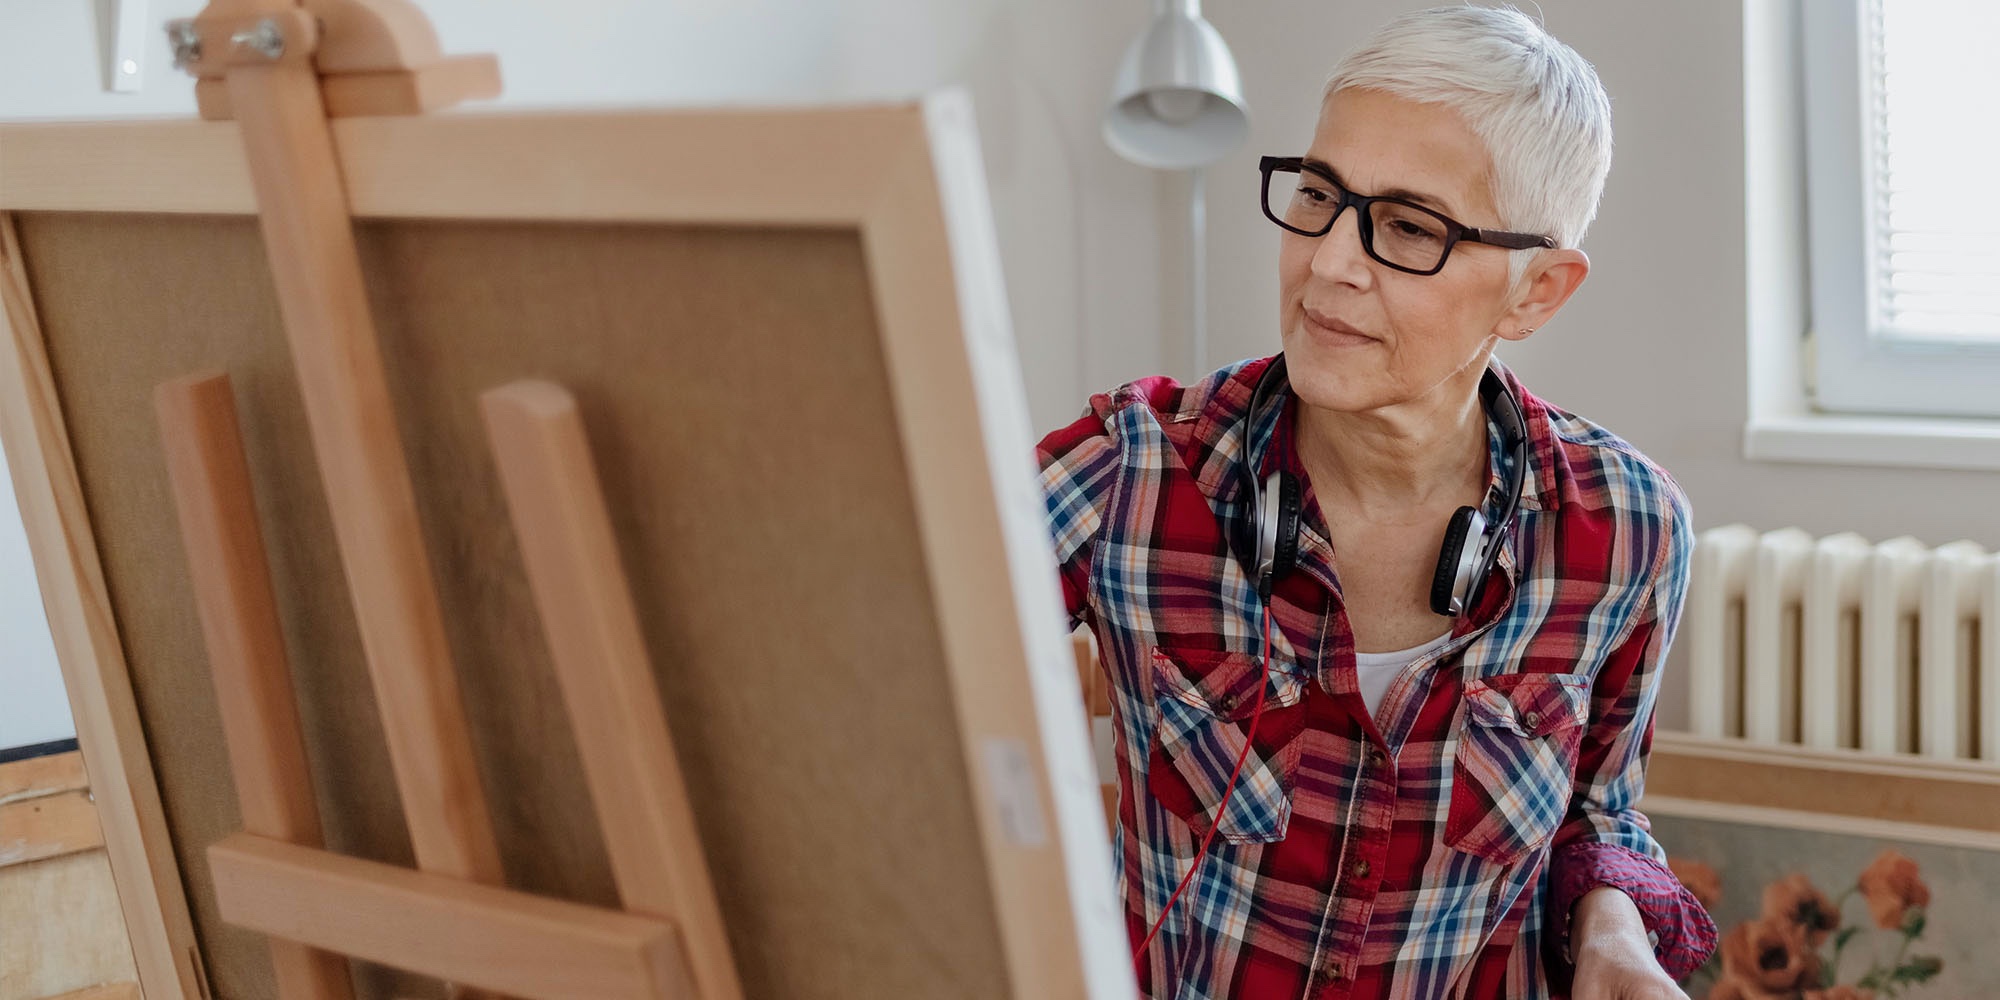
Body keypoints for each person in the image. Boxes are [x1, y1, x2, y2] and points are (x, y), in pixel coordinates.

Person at [1037, 6, 1717, 998]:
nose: (1327, 262)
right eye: (1317, 195)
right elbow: (873, 646)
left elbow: (1597, 811)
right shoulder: (1124, 471)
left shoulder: (1628, 530)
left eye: (1406, 226)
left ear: (1534, 294)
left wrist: (1614, 934)